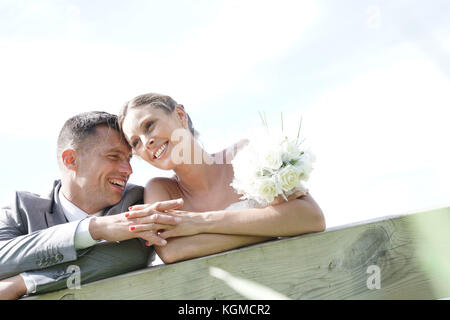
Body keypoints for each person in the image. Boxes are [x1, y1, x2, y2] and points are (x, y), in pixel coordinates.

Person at [118, 93, 326, 264]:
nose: (147, 142)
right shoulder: (160, 189)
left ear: (180, 115)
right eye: (136, 142)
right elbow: (172, 251)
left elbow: (312, 218)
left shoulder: (244, 154)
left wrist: (200, 223)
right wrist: (274, 227)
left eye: (149, 126)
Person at [0, 111, 182, 300]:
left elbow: (128, 255)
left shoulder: (137, 200)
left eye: (128, 158)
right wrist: (93, 229)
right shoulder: (20, 207)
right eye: (114, 156)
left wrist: (25, 282)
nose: (128, 170)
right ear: (70, 160)